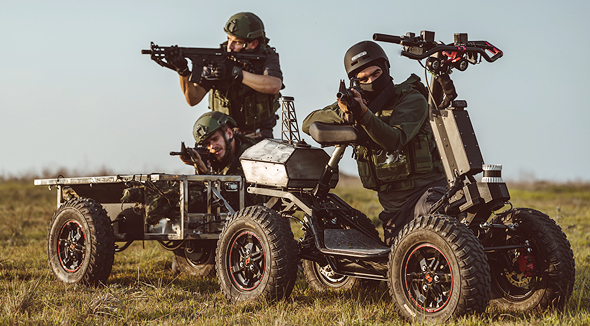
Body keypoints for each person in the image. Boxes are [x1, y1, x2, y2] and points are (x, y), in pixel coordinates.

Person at [302, 41, 447, 245]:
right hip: (393, 210)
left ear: (386, 69)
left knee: (436, 233)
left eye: (376, 74)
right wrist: (347, 115)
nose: (371, 81)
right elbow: (308, 123)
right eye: (364, 79)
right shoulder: (355, 103)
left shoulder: (411, 99)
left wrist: (364, 116)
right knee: (397, 264)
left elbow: (394, 140)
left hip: (426, 195)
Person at [168, 12, 283, 141]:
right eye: (229, 39)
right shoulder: (219, 60)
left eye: (237, 42)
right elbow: (193, 99)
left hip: (259, 135)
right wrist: (182, 72)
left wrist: (234, 73)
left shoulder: (267, 57)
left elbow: (274, 86)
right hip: (225, 136)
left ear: (253, 44)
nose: (230, 47)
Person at [180, 111, 254, 176]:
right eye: (207, 144)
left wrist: (205, 171)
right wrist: (199, 166)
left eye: (215, 139)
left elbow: (232, 189)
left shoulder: (250, 156)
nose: (212, 146)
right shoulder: (213, 160)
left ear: (229, 133)